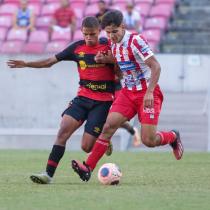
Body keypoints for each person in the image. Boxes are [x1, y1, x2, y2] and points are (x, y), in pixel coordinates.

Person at [71, 10, 184, 182]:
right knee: (108, 126)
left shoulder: (135, 41)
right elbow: (121, 66)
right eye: (107, 32)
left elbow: (156, 66)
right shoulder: (112, 43)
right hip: (127, 93)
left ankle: (173, 136)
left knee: (149, 140)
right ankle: (87, 168)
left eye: (114, 31)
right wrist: (107, 60)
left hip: (147, 92)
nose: (111, 36)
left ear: (123, 26)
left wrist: (149, 92)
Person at [7, 16, 116, 184]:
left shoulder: (109, 47)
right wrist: (27, 64)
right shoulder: (77, 48)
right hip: (83, 98)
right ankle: (48, 174)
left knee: (86, 147)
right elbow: (50, 61)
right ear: (81, 32)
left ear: (99, 32)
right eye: (86, 34)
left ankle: (103, 140)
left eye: (92, 34)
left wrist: (110, 60)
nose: (89, 38)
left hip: (102, 102)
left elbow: (124, 67)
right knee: (63, 130)